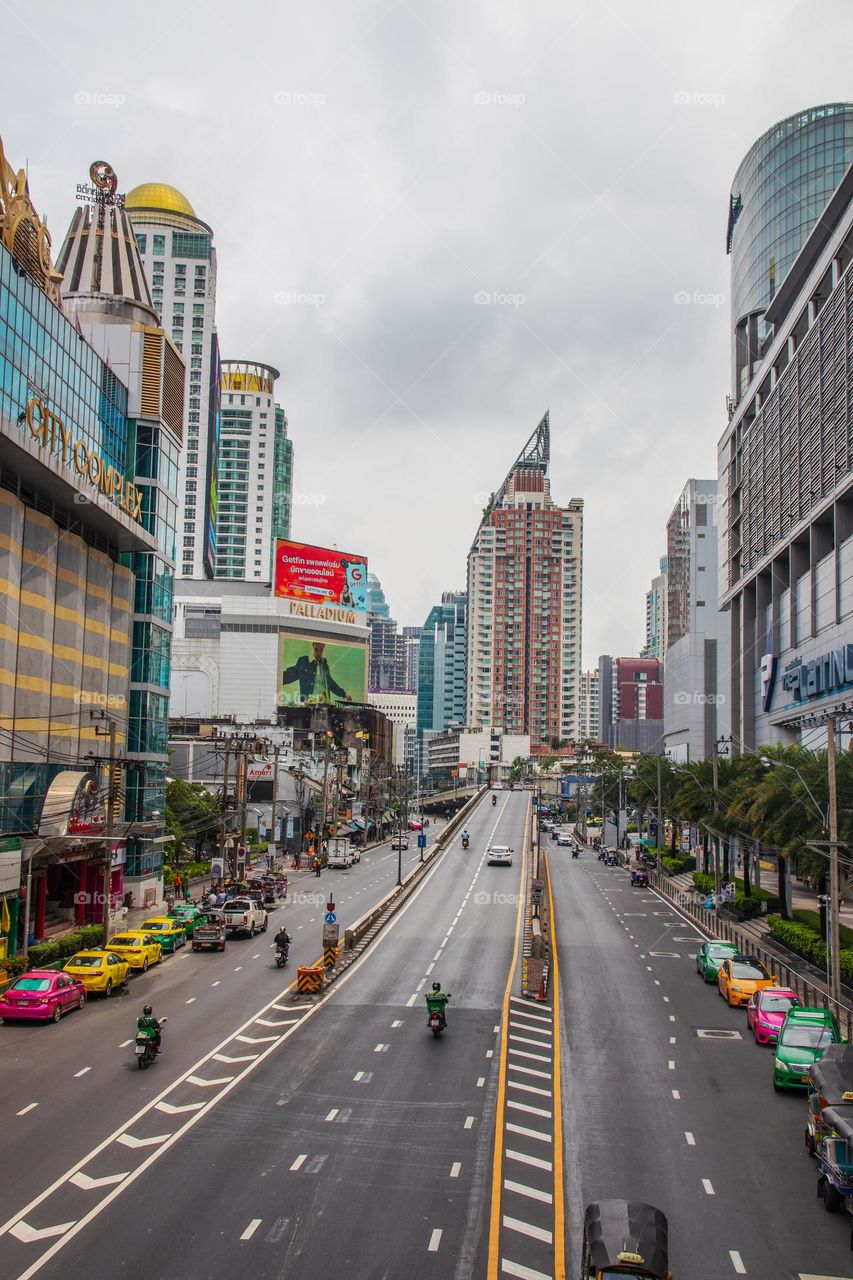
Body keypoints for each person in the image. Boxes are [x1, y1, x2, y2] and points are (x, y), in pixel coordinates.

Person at [281, 640, 352, 705]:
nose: (318, 652)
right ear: (313, 647)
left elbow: (331, 683)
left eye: (321, 650)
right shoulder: (304, 661)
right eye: (316, 649)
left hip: (323, 704)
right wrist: (275, 679)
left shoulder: (325, 665)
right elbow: (290, 674)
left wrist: (344, 694)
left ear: (324, 649)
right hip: (308, 703)